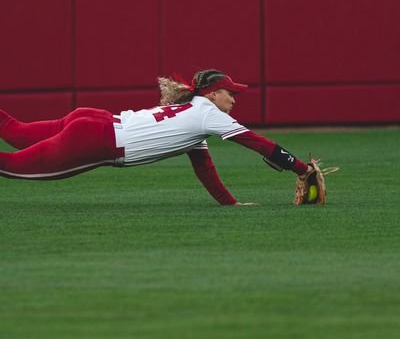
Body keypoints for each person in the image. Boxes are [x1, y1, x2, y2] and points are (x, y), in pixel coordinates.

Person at [0, 69, 312, 206]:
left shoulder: (193, 111)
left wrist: (230, 205)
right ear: (214, 94)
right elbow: (257, 143)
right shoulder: (208, 114)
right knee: (11, 166)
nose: (234, 99)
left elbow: (205, 169)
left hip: (94, 121)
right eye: (231, 94)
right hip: (97, 140)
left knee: (14, 131)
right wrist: (300, 168)